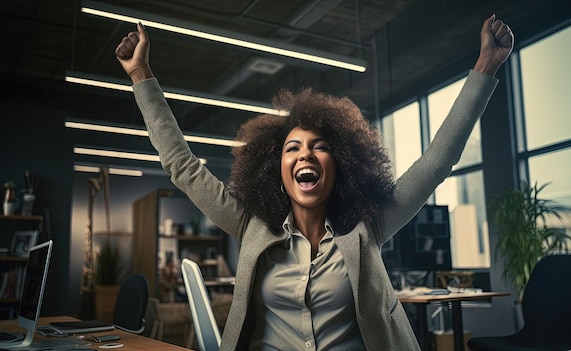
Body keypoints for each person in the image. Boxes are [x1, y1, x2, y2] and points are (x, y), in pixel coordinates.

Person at [115, 13, 513, 351]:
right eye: (292, 149)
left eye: (318, 147)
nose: (305, 154)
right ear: (276, 170)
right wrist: (141, 75)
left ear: (339, 165)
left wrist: (485, 68)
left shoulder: (368, 226)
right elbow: (183, 166)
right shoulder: (251, 226)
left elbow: (437, 162)